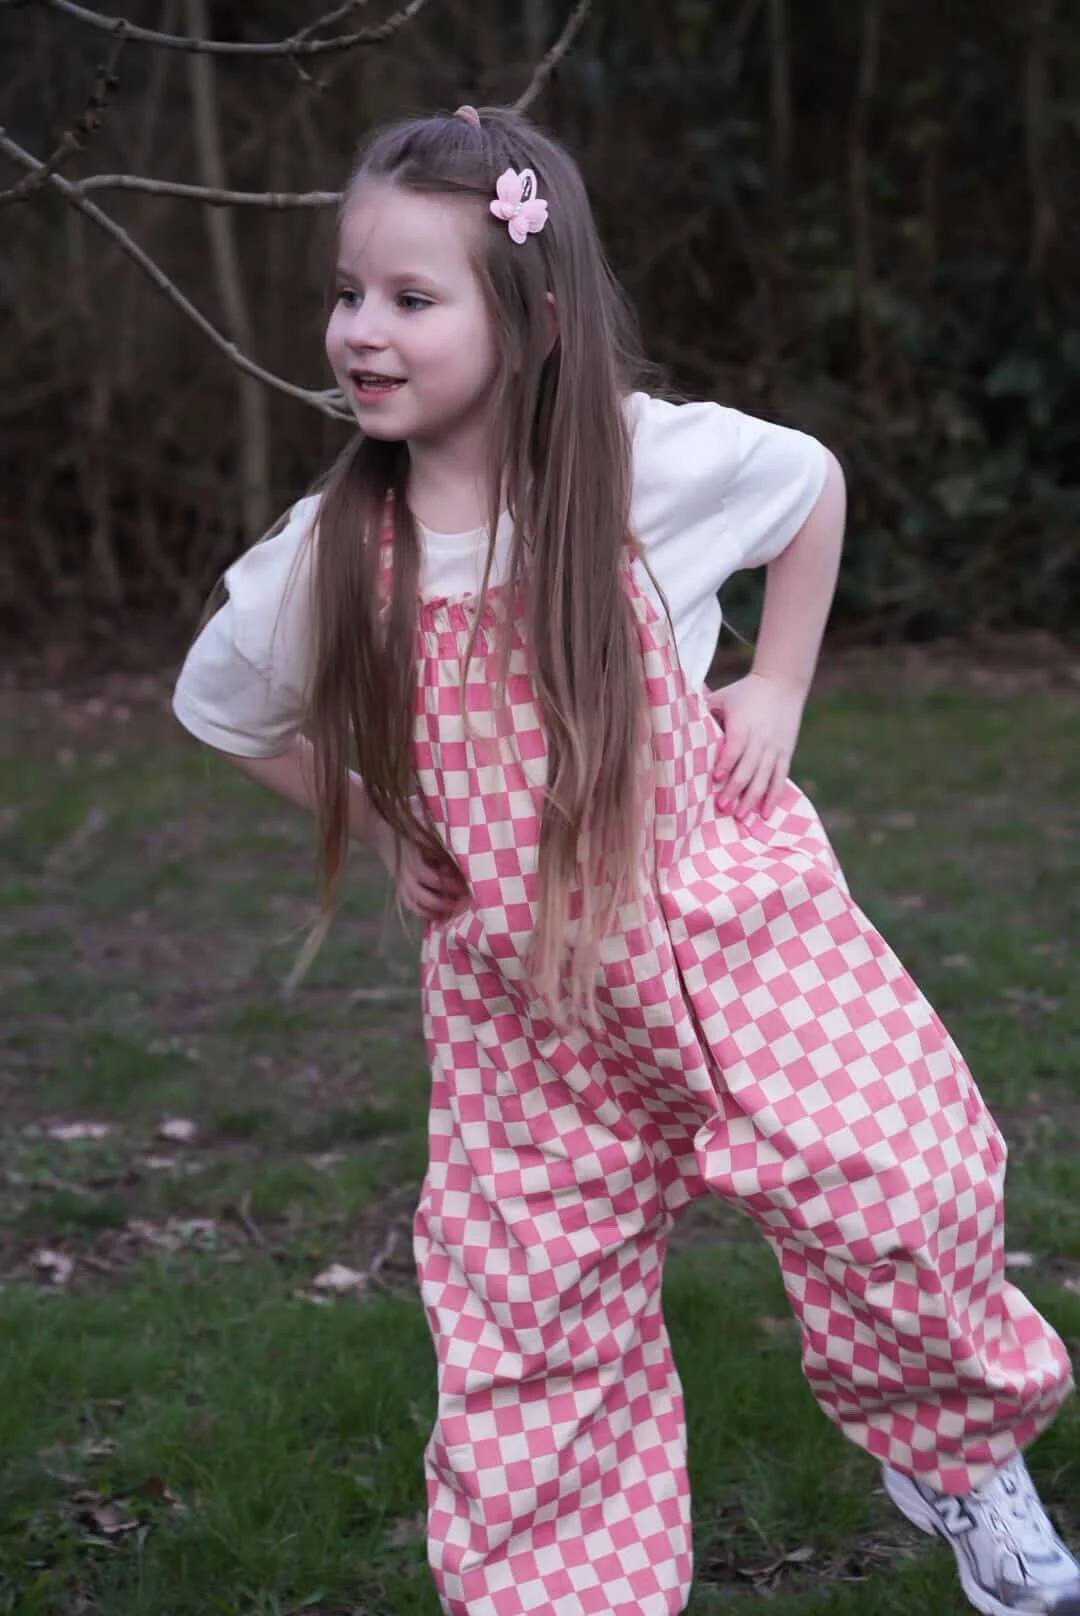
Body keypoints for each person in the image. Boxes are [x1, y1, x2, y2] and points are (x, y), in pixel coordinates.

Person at [172, 104, 1078, 1616]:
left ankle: (955, 1449)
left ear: (528, 317)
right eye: (347, 294)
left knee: (902, 1192)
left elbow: (812, 487)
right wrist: (390, 819)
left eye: (410, 298)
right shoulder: (330, 553)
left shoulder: (650, 466)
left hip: (736, 936)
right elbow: (220, 707)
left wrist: (778, 681)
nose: (361, 332)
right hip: (529, 1011)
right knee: (531, 1320)